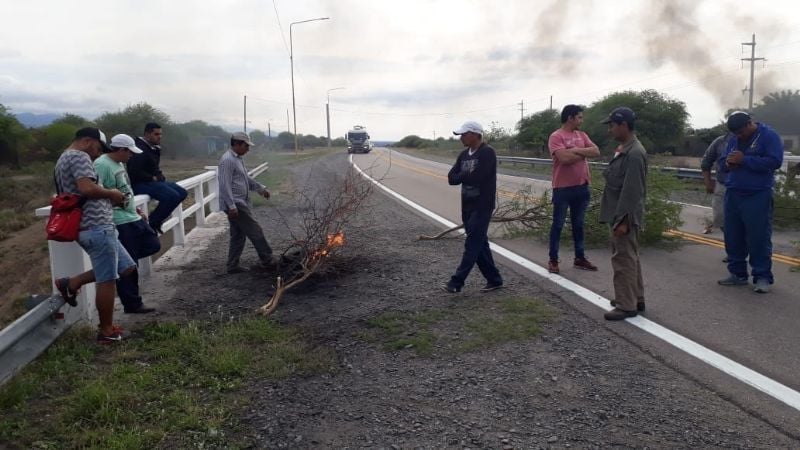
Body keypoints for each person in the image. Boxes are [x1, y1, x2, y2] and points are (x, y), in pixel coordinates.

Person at [53, 127, 136, 343]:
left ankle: (72, 282)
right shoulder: (79, 156)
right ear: (87, 141)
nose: (98, 154)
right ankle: (106, 331)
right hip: (96, 226)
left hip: (94, 226)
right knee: (107, 280)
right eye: (98, 148)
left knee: (126, 267)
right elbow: (87, 189)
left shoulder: (63, 158)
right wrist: (113, 194)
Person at [717, 111, 783, 294]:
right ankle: (737, 274)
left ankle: (762, 277)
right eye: (735, 133)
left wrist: (745, 160)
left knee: (758, 237)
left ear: (749, 124)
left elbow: (775, 161)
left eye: (740, 132)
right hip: (734, 192)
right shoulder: (734, 138)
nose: (738, 136)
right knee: (733, 236)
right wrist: (728, 163)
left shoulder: (769, 136)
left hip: (757, 194)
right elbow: (723, 160)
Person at [95, 134, 161, 314]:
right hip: (118, 220)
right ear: (121, 149)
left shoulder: (119, 164)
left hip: (132, 216)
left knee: (152, 244)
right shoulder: (102, 165)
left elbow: (125, 190)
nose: (132, 156)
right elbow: (97, 191)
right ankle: (133, 304)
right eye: (130, 152)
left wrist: (135, 209)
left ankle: (118, 264)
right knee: (129, 266)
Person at [443, 121, 504, 293]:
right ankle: (494, 279)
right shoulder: (464, 155)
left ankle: (456, 282)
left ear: (475, 134)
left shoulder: (487, 153)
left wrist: (462, 176)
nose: (461, 137)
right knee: (480, 243)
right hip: (467, 205)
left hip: (482, 205)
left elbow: (478, 177)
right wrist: (465, 174)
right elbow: (451, 178)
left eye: (464, 134)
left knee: (472, 244)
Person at [599, 108, 647, 320]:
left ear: (623, 125)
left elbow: (632, 191)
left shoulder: (634, 153)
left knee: (623, 260)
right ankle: (635, 297)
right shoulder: (625, 149)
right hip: (619, 211)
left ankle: (626, 306)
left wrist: (623, 221)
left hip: (624, 215)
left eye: (612, 125)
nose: (610, 129)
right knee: (630, 257)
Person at [547, 104, 601, 274]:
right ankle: (553, 260)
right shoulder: (556, 136)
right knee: (558, 225)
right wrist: (582, 153)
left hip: (582, 186)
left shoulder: (582, 135)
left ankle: (580, 258)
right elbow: (563, 158)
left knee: (578, 224)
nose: (581, 120)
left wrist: (575, 150)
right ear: (570, 117)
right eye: (579, 117)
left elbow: (596, 151)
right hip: (562, 189)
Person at [218, 131, 276, 274]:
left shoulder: (237, 159)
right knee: (255, 230)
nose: (248, 149)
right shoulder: (228, 160)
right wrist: (231, 206)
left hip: (239, 203)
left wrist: (261, 189)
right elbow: (224, 185)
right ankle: (268, 260)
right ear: (236, 144)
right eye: (246, 146)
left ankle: (232, 265)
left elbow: (246, 180)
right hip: (235, 204)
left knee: (238, 234)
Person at [127, 122, 188, 233]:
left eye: (160, 134)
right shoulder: (139, 148)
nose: (159, 136)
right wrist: (152, 178)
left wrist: (159, 175)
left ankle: (156, 220)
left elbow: (154, 167)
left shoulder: (153, 147)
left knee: (182, 192)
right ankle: (152, 223)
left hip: (153, 182)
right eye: (156, 134)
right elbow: (133, 171)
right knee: (172, 196)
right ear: (147, 134)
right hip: (140, 184)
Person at [700, 133, 732, 236]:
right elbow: (706, 161)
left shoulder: (754, 142)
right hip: (723, 185)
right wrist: (708, 182)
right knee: (719, 217)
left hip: (745, 187)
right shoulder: (720, 141)